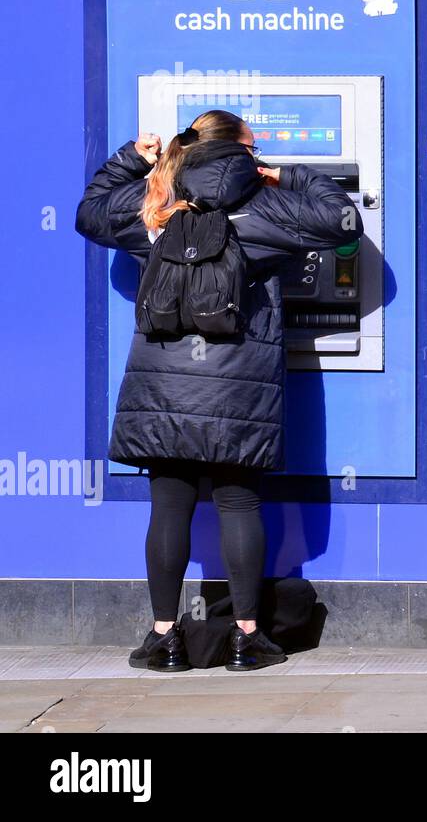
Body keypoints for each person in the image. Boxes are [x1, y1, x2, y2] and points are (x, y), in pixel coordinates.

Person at [76, 110, 360, 671]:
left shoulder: (155, 199)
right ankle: (246, 637)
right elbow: (344, 223)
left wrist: (132, 159)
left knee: (168, 506)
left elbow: (88, 216)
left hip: (161, 382)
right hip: (239, 381)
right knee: (238, 501)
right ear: (242, 152)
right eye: (256, 150)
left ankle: (163, 638)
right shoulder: (268, 202)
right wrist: (293, 176)